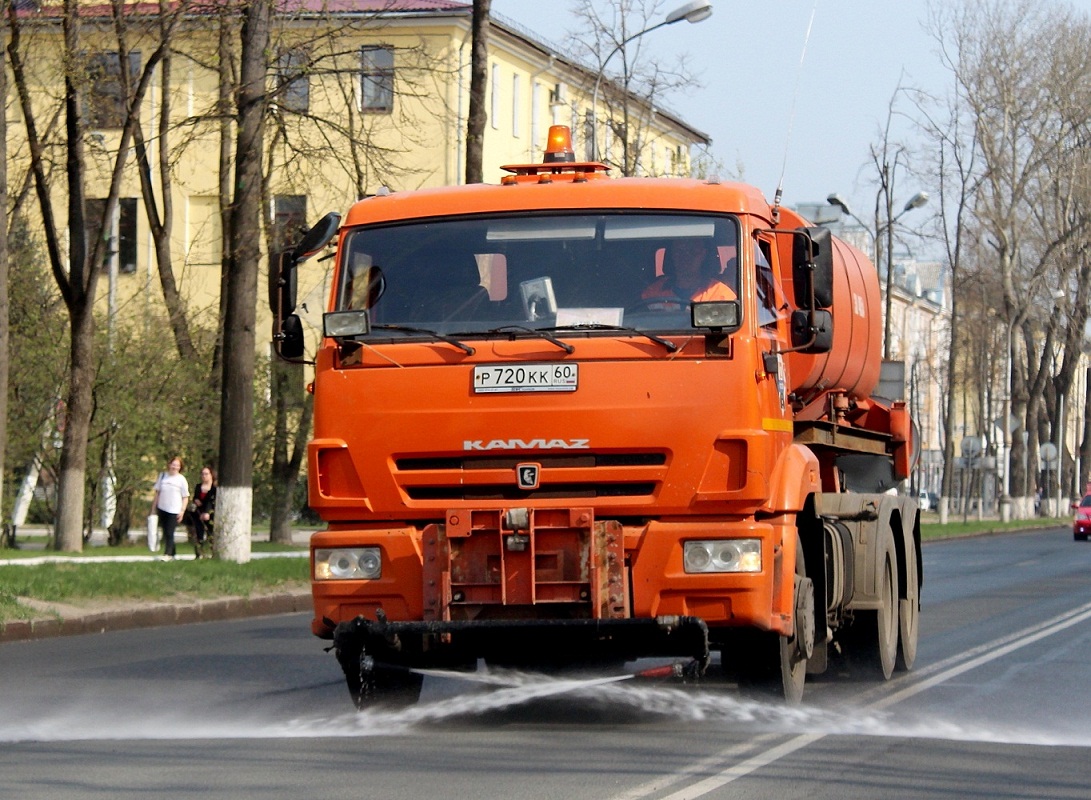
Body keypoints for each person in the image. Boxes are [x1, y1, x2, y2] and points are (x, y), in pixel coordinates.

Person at [641, 238, 736, 307]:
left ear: (703, 255)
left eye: (693, 251)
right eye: (680, 251)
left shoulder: (720, 294)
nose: (685, 257)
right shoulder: (653, 293)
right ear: (672, 254)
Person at [150, 456, 189, 560]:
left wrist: (182, 510)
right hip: (162, 508)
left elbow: (185, 497)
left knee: (169, 532)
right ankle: (173, 553)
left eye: (177, 465)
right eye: (173, 464)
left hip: (174, 509)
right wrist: (153, 509)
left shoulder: (181, 479)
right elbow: (157, 493)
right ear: (169, 465)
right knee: (165, 531)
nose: (175, 467)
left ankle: (167, 554)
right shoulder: (163, 476)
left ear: (180, 467)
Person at [190, 466, 217, 560]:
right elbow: (195, 498)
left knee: (210, 534)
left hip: (209, 514)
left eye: (206, 474)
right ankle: (199, 554)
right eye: (202, 474)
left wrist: (207, 512)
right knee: (198, 533)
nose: (204, 476)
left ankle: (213, 553)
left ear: (211, 475)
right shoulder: (198, 487)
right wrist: (195, 501)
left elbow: (212, 502)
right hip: (198, 513)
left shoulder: (214, 488)